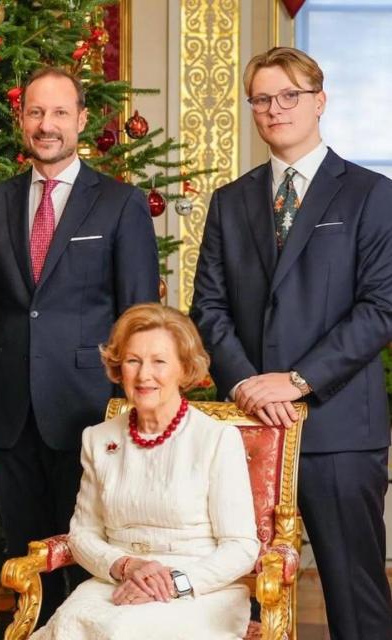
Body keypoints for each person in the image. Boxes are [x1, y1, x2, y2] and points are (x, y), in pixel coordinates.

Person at [190, 46, 392, 640]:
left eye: (288, 96)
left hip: (336, 427)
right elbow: (209, 307)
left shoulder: (370, 196)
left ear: (319, 101)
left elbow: (380, 308)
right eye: (262, 99)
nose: (275, 109)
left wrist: (298, 380)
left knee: (354, 592)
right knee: (239, 595)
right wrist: (250, 386)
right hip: (247, 429)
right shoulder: (232, 201)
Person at [0, 66, 160, 623]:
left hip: (91, 413)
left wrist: (138, 412)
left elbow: (139, 320)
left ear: (82, 120)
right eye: (36, 113)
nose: (47, 125)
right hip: (8, 416)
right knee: (25, 558)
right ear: (22, 120)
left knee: (89, 557)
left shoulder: (120, 203)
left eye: (60, 113)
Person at [33, 303, 259, 640]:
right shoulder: (98, 439)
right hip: (118, 582)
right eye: (133, 360)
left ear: (184, 369)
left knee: (125, 631)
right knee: (68, 627)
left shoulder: (216, 439)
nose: (143, 375)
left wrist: (174, 582)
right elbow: (82, 535)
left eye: (159, 361)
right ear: (118, 367)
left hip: (199, 589)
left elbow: (241, 546)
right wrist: (127, 567)